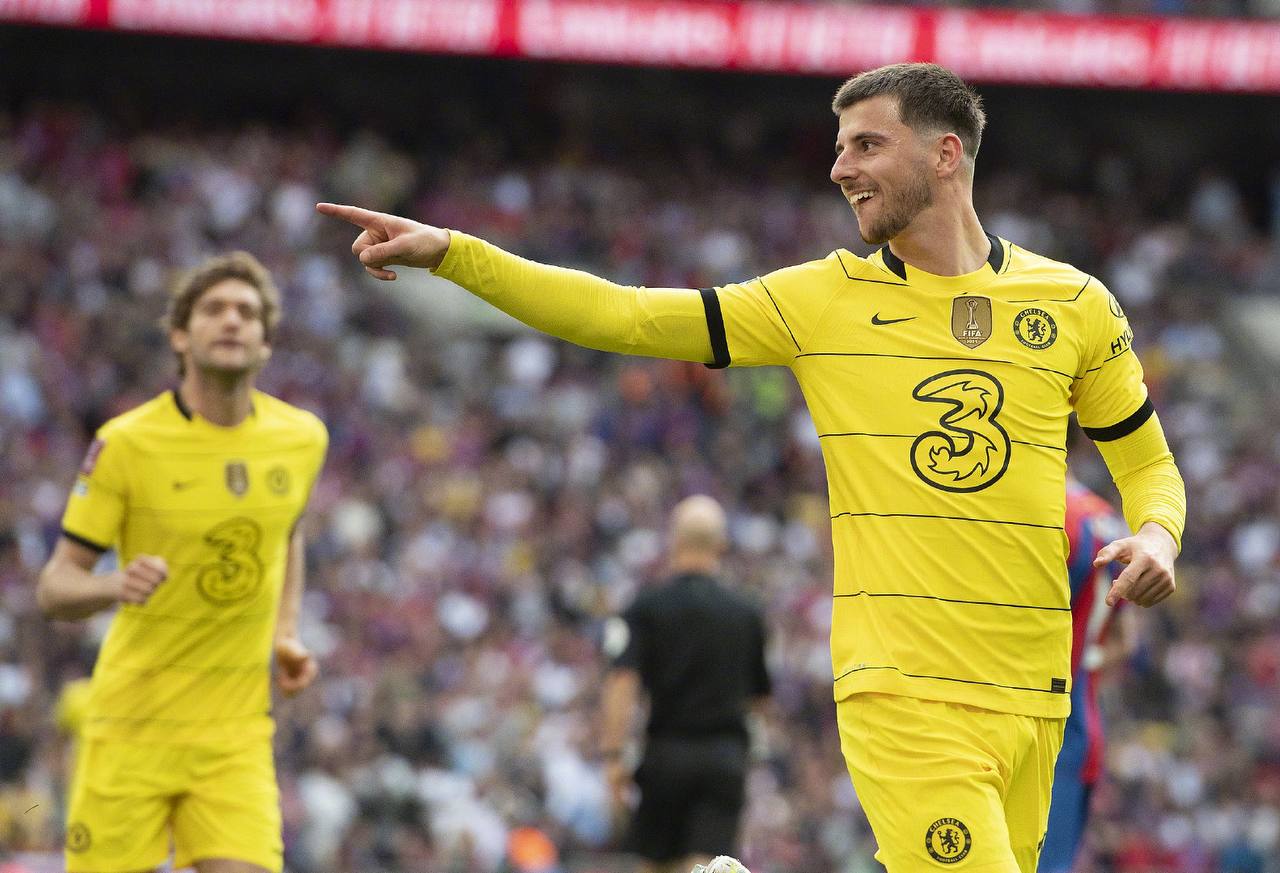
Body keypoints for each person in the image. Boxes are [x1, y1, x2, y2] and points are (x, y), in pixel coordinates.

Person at [318, 62, 1185, 872]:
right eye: (839, 147)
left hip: (1037, 695)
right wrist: (455, 254)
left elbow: (1147, 461)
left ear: (945, 153)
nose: (840, 169)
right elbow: (626, 315)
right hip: (905, 691)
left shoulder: (1074, 305)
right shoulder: (820, 301)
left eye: (866, 144)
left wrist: (1158, 533)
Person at [36, 252, 329, 873]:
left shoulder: (302, 439)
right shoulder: (126, 444)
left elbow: (288, 530)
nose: (232, 320)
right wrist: (114, 585)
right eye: (214, 309)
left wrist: (286, 632)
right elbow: (54, 588)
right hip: (131, 730)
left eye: (247, 312)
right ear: (179, 335)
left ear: (266, 341)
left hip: (234, 738)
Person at [599, 495, 770, 873]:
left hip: (666, 754)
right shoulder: (746, 614)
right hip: (724, 756)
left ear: (673, 540)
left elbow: (622, 681)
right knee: (709, 866)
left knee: (656, 866)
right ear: (721, 544)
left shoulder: (646, 608)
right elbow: (760, 700)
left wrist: (613, 756)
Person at [1038, 466, 1136, 873]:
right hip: (1080, 726)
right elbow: (1124, 640)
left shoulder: (1047, 513)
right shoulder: (1105, 518)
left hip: (1034, 722)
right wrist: (1084, 664)